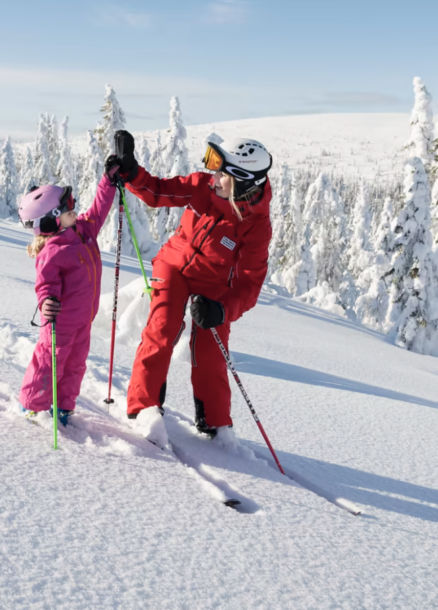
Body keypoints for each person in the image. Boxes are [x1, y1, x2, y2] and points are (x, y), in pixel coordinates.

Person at [105, 130, 273, 439]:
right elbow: (158, 192)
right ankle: (143, 407)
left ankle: (215, 424)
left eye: (222, 174)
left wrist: (221, 310)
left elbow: (250, 284)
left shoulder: (256, 226)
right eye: (215, 169)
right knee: (162, 327)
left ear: (243, 182)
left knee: (211, 348)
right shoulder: (201, 187)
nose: (214, 177)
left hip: (214, 284)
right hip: (174, 266)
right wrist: (132, 173)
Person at [16, 167, 118, 426]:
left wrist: (108, 182)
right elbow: (45, 284)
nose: (75, 211)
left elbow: (99, 209)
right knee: (49, 364)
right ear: (50, 221)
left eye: (72, 206)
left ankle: (63, 405)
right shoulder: (53, 251)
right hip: (59, 323)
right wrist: (47, 301)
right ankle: (33, 405)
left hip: (83, 320)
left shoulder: (84, 231)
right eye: (67, 210)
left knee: (75, 365)